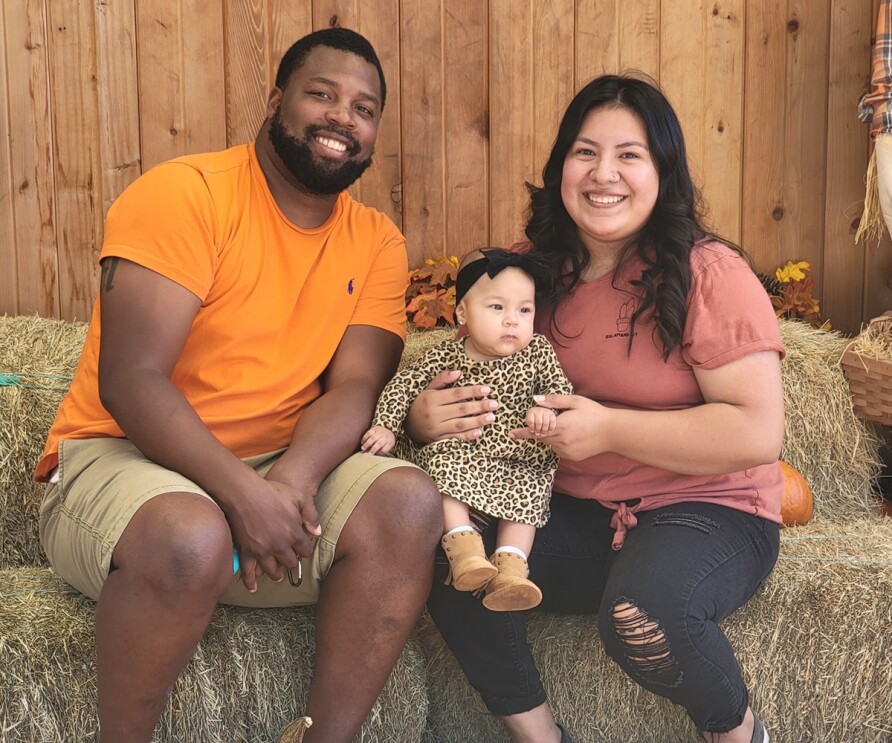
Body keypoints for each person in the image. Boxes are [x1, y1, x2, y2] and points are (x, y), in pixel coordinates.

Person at [34, 28, 442, 743]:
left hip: (272, 473)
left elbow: (354, 389)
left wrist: (289, 480)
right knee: (194, 536)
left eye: (364, 108)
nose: (343, 118)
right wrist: (241, 494)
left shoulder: (376, 240)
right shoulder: (185, 195)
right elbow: (131, 381)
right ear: (277, 100)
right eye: (323, 94)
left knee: (408, 503)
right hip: (122, 458)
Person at [408, 74, 784, 743]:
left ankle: (738, 733)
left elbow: (757, 430)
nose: (603, 173)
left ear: (663, 171)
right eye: (585, 152)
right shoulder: (522, 275)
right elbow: (460, 372)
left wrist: (608, 428)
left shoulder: (709, 272)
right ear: (559, 168)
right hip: (566, 509)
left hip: (708, 508)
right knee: (442, 554)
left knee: (644, 614)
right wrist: (426, 417)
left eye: (629, 155)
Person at [361, 248, 573, 611]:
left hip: (522, 457)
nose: (512, 321)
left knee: (531, 493)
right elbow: (403, 385)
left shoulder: (538, 351)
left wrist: (546, 412)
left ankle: (512, 571)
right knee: (440, 464)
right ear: (463, 313)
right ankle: (465, 550)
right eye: (497, 308)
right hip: (467, 451)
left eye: (524, 310)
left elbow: (560, 390)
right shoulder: (449, 354)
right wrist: (387, 425)